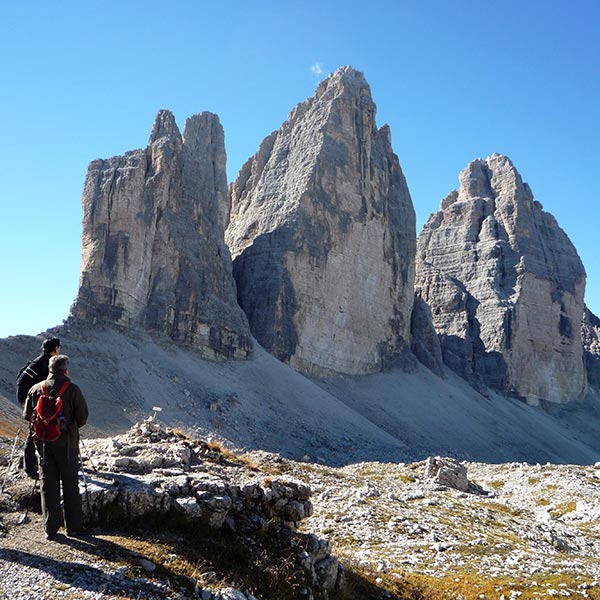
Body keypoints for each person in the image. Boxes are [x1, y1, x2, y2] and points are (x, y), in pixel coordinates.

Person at [23, 354, 89, 540]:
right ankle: (74, 528)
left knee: (48, 485)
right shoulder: (72, 390)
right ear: (66, 370)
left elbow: (27, 415)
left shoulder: (36, 389)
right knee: (70, 485)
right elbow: (82, 418)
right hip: (67, 445)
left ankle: (50, 529)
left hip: (43, 444)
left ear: (49, 370)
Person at [17, 337, 61, 404]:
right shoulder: (48, 362)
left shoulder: (38, 360)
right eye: (58, 347)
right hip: (30, 395)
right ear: (56, 348)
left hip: (23, 393)